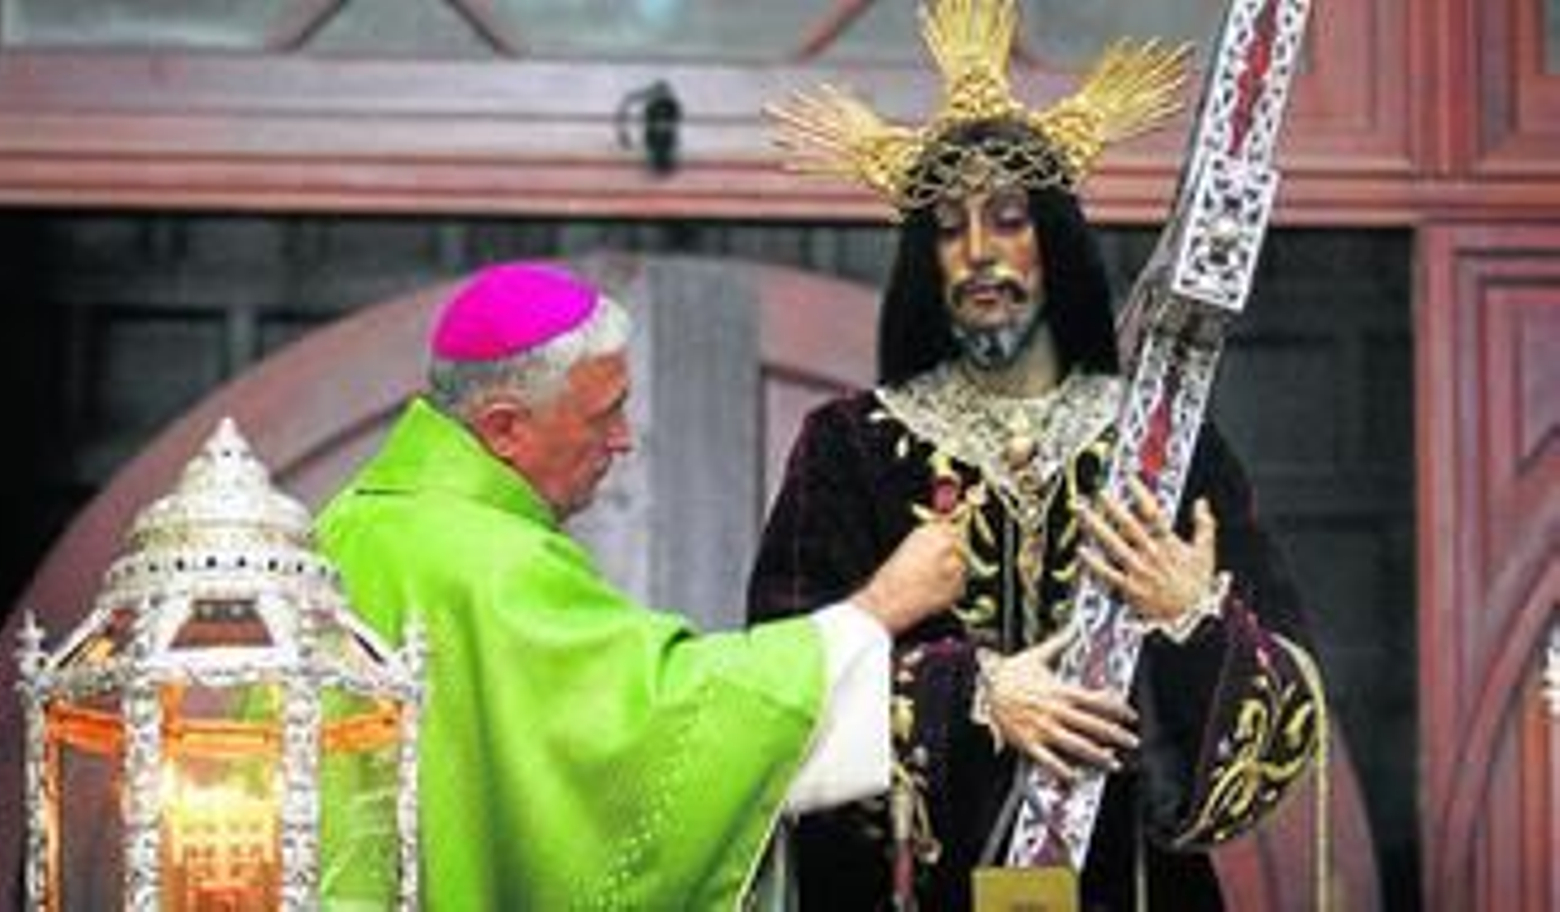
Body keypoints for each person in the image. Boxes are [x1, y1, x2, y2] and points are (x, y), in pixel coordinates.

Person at [749, 0, 1327, 909]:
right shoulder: (851, 449)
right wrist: (971, 696)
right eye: (949, 228)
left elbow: (1289, 714)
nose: (980, 252)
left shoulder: (1163, 442)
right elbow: (774, 697)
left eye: (1011, 220)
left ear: (1054, 242)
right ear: (925, 259)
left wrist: (1193, 617)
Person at [314, 261, 967, 910]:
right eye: (603, 416)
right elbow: (658, 729)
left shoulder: (348, 524)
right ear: (505, 428)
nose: (623, 440)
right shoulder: (489, 563)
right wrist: (880, 606)